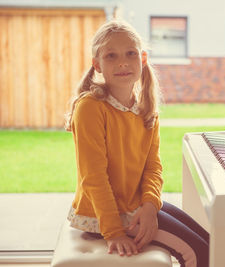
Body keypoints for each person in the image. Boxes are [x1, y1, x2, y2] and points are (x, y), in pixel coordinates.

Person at [64, 19, 209, 267]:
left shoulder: (145, 109)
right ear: (97, 64)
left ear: (142, 59)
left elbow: (153, 167)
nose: (122, 62)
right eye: (111, 55)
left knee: (208, 242)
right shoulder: (91, 108)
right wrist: (114, 232)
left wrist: (151, 205)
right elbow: (93, 177)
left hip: (133, 206)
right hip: (106, 217)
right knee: (198, 253)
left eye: (130, 53)